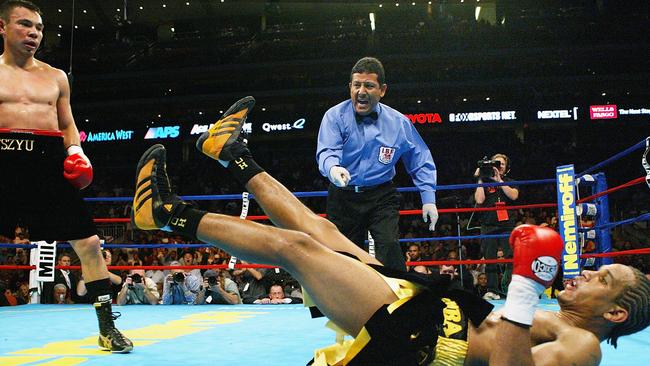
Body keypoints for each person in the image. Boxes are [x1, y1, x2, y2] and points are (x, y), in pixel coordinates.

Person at [132, 97, 650, 365]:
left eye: (602, 279)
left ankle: (169, 214)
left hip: (426, 337)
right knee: (318, 230)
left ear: (616, 312)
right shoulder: (561, 318)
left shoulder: (585, 345)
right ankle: (234, 156)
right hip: (432, 308)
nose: (586, 275)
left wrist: (522, 288)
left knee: (296, 248)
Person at [0, 1, 131, 352]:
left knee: (88, 244)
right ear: (2, 27)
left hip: (47, 161)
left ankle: (107, 328)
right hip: (2, 158)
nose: (34, 33)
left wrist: (76, 150)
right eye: (25, 25)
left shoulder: (56, 76)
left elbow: (68, 123)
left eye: (39, 28)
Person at [316, 57, 438, 271]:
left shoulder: (398, 122)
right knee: (343, 256)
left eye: (369, 85)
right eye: (357, 85)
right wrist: (332, 168)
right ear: (350, 87)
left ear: (382, 90)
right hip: (343, 196)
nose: (361, 91)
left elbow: (420, 158)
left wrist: (428, 197)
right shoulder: (334, 116)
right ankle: (346, 304)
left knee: (390, 246)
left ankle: (398, 301)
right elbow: (327, 150)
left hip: (381, 195)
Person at [473, 153, 519, 292]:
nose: (498, 167)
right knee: (490, 259)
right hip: (488, 224)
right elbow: (479, 200)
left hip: (506, 225)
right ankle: (492, 291)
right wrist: (481, 179)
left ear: (506, 168)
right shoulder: (484, 182)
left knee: (511, 257)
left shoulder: (510, 181)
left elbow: (514, 196)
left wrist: (499, 180)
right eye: (496, 164)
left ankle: (510, 289)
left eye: (501, 164)